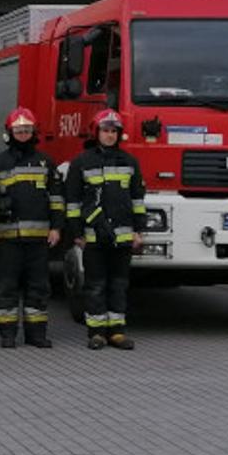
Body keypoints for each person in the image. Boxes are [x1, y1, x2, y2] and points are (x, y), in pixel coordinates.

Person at [0, 107, 63, 348]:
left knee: (38, 288)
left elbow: (56, 199)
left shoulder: (46, 162)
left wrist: (57, 228)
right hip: (7, 239)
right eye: (18, 130)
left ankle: (36, 335)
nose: (23, 134)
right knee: (6, 287)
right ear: (9, 133)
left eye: (27, 130)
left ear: (33, 132)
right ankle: (8, 334)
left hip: (39, 240)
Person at [64, 108, 146, 351]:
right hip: (93, 237)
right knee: (95, 284)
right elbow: (72, 202)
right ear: (96, 132)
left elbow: (138, 200)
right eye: (105, 131)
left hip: (122, 238)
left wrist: (138, 231)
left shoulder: (129, 162)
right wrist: (77, 233)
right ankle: (97, 332)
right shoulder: (81, 162)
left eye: (114, 131)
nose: (110, 135)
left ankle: (117, 332)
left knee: (119, 284)